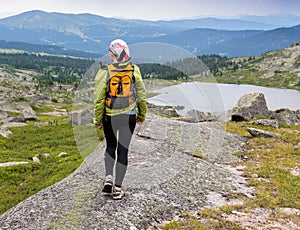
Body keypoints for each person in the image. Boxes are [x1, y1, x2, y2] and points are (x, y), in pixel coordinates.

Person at [94, 39, 147, 200]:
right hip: (129, 116)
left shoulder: (105, 71)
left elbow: (99, 99)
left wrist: (98, 120)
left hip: (110, 116)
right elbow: (142, 96)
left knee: (110, 146)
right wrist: (141, 115)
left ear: (112, 54)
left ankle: (108, 177)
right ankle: (117, 188)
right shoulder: (134, 70)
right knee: (123, 150)